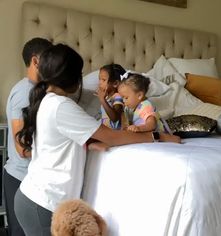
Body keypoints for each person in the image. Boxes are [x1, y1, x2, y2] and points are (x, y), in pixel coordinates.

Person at [14, 43, 181, 236]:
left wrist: (89, 142)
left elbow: (59, 139)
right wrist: (157, 136)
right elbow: (112, 136)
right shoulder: (62, 106)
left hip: (36, 199)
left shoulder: (48, 101)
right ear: (74, 78)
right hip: (42, 204)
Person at [4, 37, 52, 236]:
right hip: (20, 179)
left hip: (30, 179)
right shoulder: (25, 93)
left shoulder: (39, 90)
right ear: (35, 61)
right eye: (49, 59)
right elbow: (22, 149)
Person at [97, 63, 126, 130]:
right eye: (99, 79)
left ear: (115, 83)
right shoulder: (106, 98)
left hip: (118, 134)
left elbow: (115, 118)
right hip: (108, 132)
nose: (100, 83)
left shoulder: (118, 97)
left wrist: (102, 100)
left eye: (103, 80)